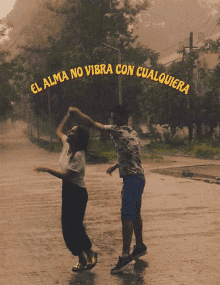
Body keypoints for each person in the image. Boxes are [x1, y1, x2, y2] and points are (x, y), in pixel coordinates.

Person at [68, 105, 147, 274]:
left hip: (132, 180)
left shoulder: (117, 130)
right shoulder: (132, 133)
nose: (113, 121)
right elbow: (130, 153)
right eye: (112, 118)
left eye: (115, 117)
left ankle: (125, 255)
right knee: (135, 213)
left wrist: (78, 113)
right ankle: (139, 246)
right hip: (140, 177)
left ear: (122, 117)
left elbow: (93, 124)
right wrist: (116, 165)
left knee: (126, 215)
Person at [35, 110, 97, 272]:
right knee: (66, 227)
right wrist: (67, 117)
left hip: (77, 192)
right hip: (67, 191)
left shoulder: (79, 156)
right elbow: (58, 131)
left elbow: (68, 176)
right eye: (70, 130)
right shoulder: (68, 144)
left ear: (78, 138)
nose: (69, 132)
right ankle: (81, 258)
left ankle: (90, 252)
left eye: (73, 131)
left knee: (75, 226)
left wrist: (46, 169)